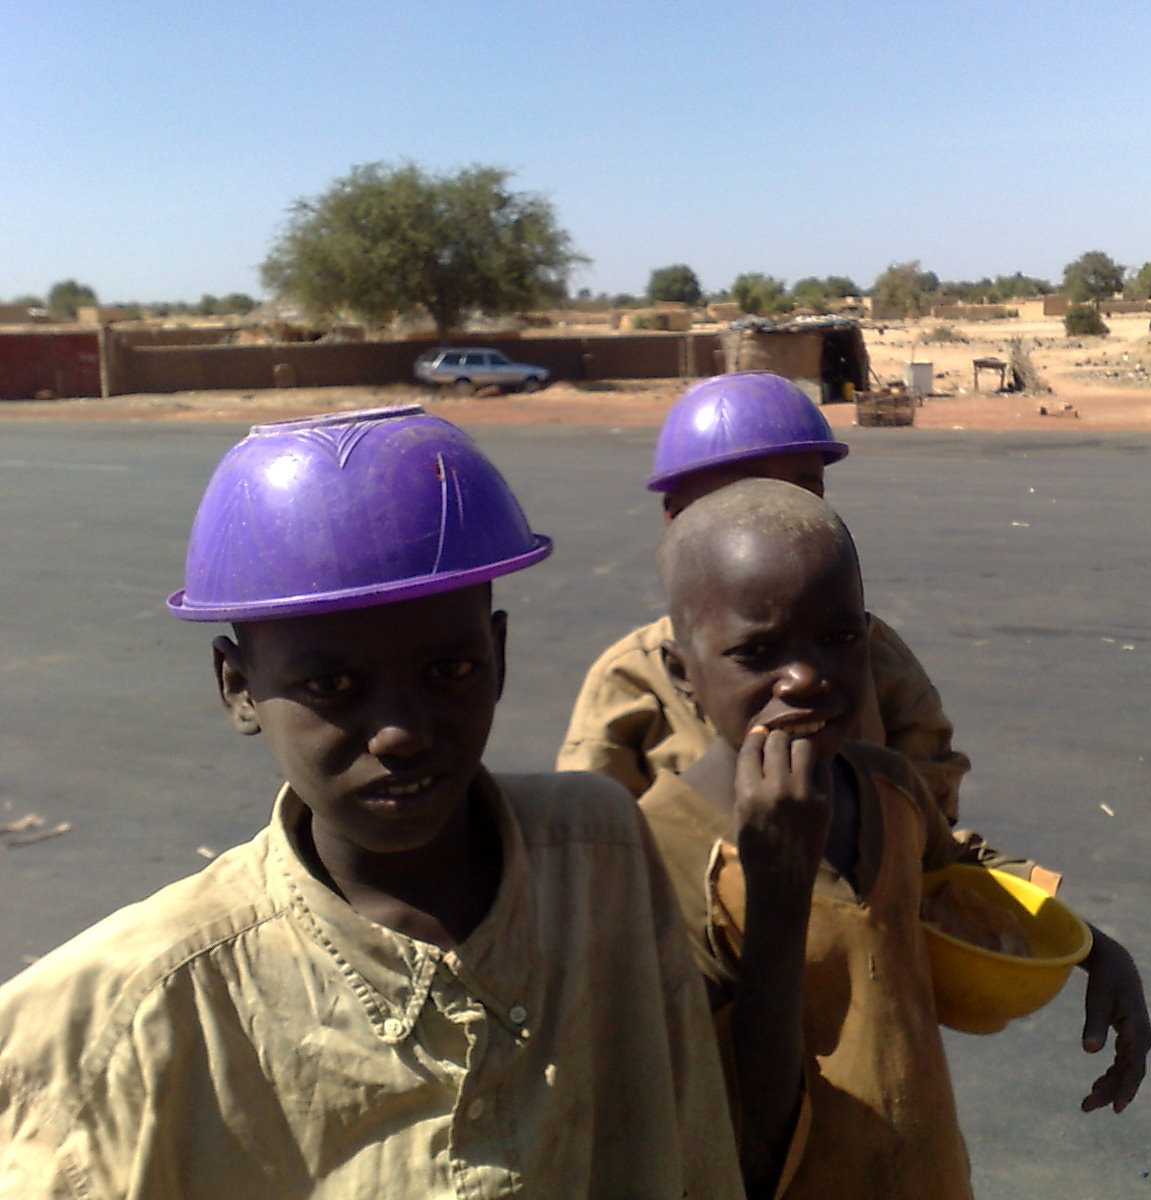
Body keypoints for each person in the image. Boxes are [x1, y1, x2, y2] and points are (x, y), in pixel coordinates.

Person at [0, 407, 742, 1199]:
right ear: (239, 687)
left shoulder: (598, 856)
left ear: (496, 653)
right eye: (332, 686)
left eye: (449, 670)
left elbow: (689, 1147)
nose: (402, 732)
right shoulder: (133, 1011)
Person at [642, 478, 1151, 1200]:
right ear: (681, 673)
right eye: (757, 652)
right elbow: (748, 1136)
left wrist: (1099, 951)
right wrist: (778, 887)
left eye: (840, 638)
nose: (808, 677)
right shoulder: (652, 853)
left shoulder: (887, 787)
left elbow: (954, 876)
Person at [557, 371, 971, 823]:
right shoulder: (631, 679)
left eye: (806, 491)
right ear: (675, 517)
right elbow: (591, 844)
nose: (782, 512)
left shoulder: (870, 651)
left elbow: (930, 812)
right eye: (745, 494)